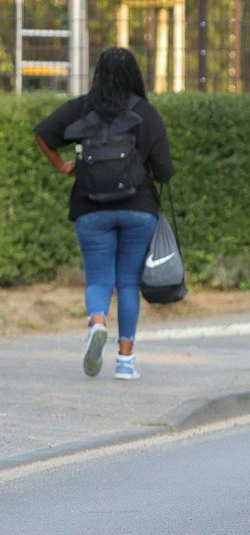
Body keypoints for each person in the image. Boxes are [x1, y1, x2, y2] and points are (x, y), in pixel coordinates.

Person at [32, 47, 174, 381]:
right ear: (134, 75)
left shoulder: (82, 108)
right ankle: (125, 362)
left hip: (91, 208)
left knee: (98, 279)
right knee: (128, 282)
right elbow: (165, 170)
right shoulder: (145, 112)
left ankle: (97, 323)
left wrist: (63, 166)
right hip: (138, 208)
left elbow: (42, 132)